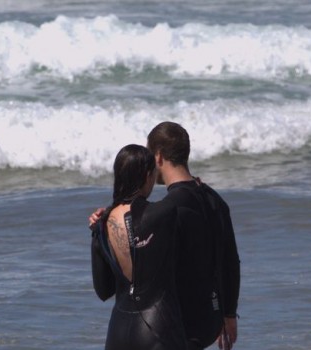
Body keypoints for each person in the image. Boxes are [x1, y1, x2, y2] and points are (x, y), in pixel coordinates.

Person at [91, 122, 241, 350]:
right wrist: (228, 313)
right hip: (210, 315)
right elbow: (230, 260)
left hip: (176, 322)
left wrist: (105, 223)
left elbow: (121, 278)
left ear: (158, 157)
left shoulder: (163, 211)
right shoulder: (214, 199)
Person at [90, 144, 189, 350]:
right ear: (147, 176)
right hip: (158, 329)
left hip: (117, 331)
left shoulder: (100, 225)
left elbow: (103, 290)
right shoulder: (164, 212)